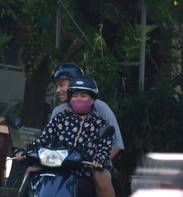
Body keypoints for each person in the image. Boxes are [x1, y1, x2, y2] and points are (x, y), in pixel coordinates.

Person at [16, 75, 115, 180]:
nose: (78, 99)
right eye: (75, 96)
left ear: (92, 99)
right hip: (58, 168)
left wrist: (99, 159)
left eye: (83, 96)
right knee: (30, 171)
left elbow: (104, 147)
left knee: (103, 177)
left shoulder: (100, 124)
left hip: (86, 170)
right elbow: (43, 138)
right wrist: (25, 150)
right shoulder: (60, 118)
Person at [48, 63, 123, 197]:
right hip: (63, 164)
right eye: (56, 86)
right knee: (33, 171)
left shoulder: (101, 108)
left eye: (62, 85)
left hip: (93, 164)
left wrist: (97, 161)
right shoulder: (58, 112)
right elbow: (50, 142)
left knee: (102, 178)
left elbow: (116, 145)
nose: (58, 90)